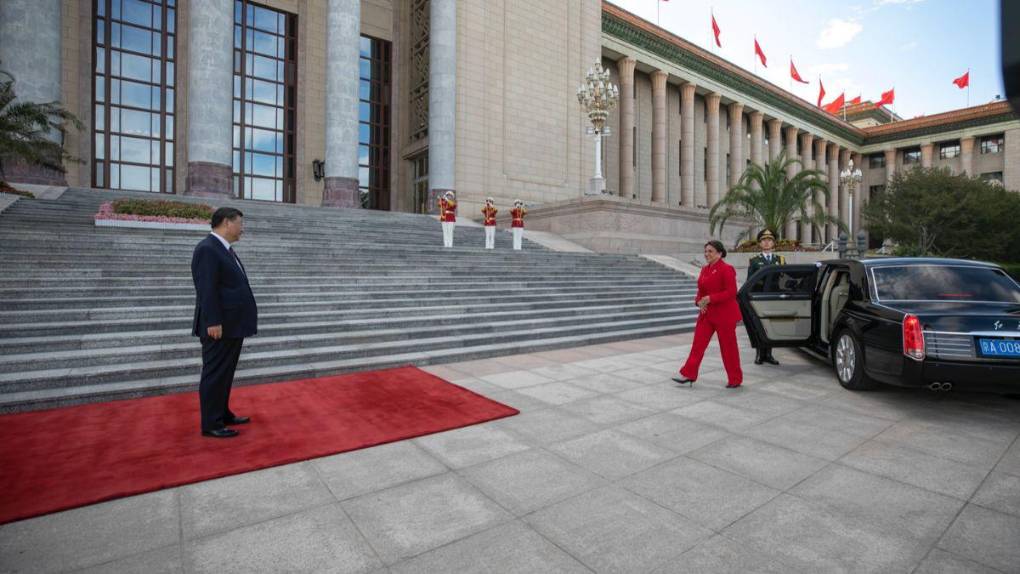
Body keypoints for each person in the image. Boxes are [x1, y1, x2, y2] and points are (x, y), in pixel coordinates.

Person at [191, 207, 258, 438]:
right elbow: (206, 289)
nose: (242, 229)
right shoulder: (208, 249)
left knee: (226, 372)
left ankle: (222, 412)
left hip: (232, 325)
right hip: (218, 326)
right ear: (227, 223)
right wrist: (213, 321)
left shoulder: (224, 249)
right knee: (215, 373)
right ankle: (211, 423)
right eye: (240, 223)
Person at [673, 240, 743, 388]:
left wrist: (711, 298)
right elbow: (701, 291)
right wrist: (698, 301)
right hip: (707, 314)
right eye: (705, 251)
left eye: (710, 251)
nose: (707, 254)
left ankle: (735, 379)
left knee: (728, 348)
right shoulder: (705, 269)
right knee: (698, 345)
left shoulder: (727, 269)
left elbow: (731, 292)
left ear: (719, 253)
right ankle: (689, 374)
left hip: (725, 315)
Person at [746, 228, 784, 365]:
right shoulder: (755, 261)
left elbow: (784, 280)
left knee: (771, 326)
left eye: (770, 240)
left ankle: (769, 354)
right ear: (760, 244)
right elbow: (750, 281)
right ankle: (759, 354)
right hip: (760, 298)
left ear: (774, 243)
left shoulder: (780, 259)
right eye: (764, 240)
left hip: (774, 298)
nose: (767, 243)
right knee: (759, 326)